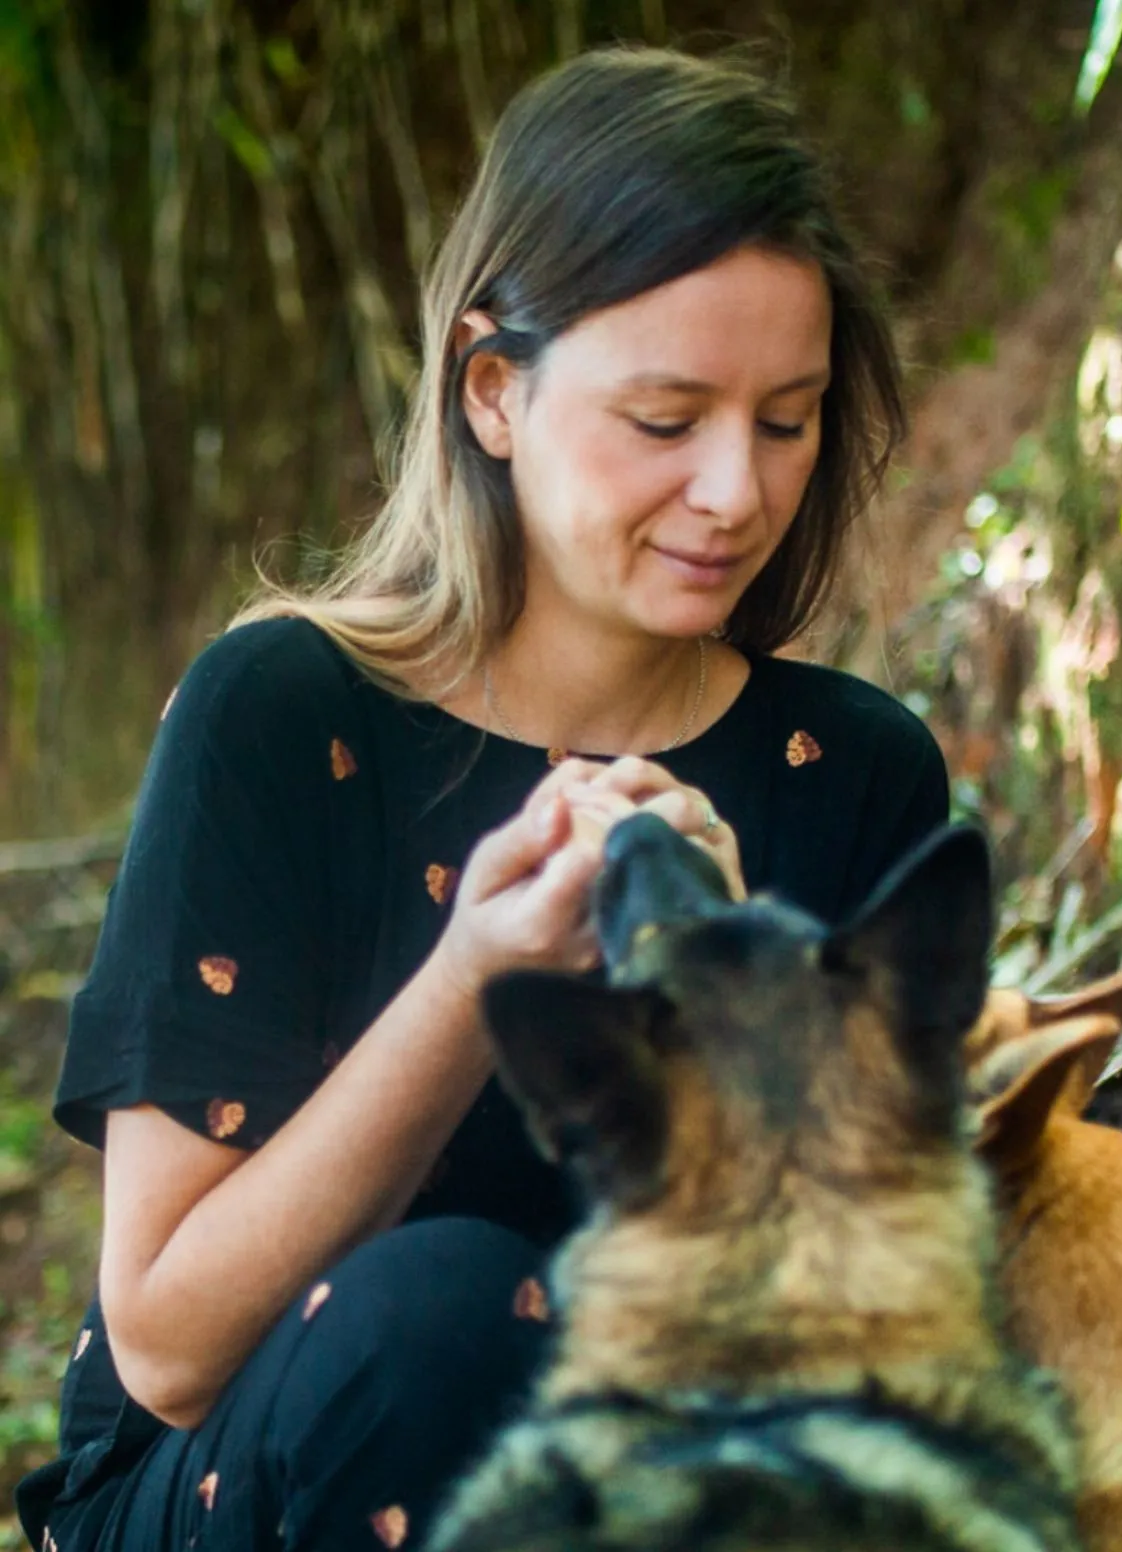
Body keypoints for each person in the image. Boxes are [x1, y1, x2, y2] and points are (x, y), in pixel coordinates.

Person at [17, 44, 949, 1552]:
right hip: (248, 1480)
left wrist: (731, 1003)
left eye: (787, 420)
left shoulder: (848, 774)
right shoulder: (285, 718)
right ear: (493, 390)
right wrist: (478, 980)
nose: (736, 490)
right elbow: (172, 1348)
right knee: (442, 1316)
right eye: (667, 420)